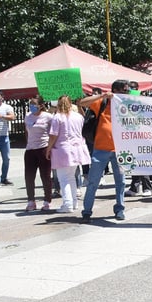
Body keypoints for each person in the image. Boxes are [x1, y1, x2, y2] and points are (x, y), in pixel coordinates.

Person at [79, 79, 129, 222]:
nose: (127, 92)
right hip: (101, 149)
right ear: (116, 91)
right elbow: (82, 103)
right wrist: (102, 96)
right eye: (125, 90)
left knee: (121, 182)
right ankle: (87, 211)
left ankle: (120, 209)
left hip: (121, 150)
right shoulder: (103, 103)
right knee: (93, 182)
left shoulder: (127, 104)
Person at [47, 95, 90, 213]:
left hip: (63, 149)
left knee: (63, 179)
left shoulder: (57, 117)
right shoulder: (78, 117)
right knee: (71, 177)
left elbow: (53, 135)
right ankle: (74, 202)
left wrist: (48, 149)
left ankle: (67, 204)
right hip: (77, 148)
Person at [23, 96, 53, 211]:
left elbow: (53, 133)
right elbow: (26, 132)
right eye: (30, 104)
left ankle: (47, 200)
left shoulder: (48, 117)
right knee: (29, 176)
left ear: (41, 105)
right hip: (30, 149)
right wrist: (28, 143)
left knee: (45, 176)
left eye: (34, 104)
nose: (32, 106)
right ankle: (31, 200)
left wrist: (50, 148)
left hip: (43, 148)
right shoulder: (27, 116)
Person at [0, 89, 15, 186]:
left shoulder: (7, 107)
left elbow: (12, 117)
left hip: (4, 136)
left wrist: (0, 116)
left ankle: (4, 177)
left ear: (2, 97)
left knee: (6, 158)